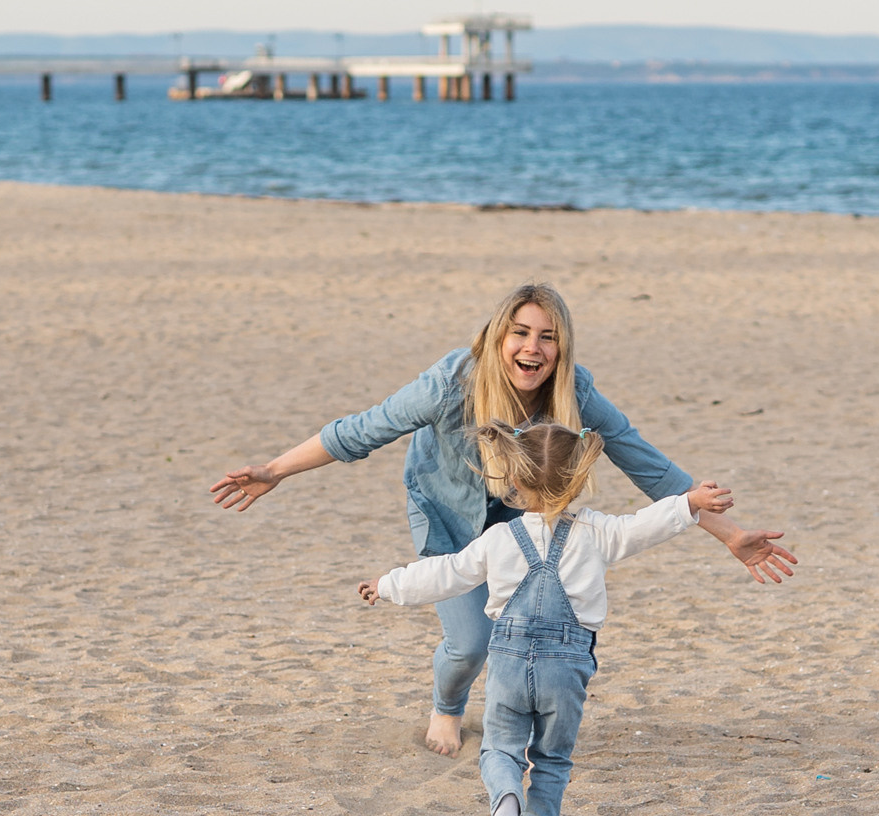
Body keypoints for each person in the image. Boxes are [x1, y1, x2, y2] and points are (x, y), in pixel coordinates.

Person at [209, 282, 793, 757]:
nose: (532, 349)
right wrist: (277, 470)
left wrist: (730, 536)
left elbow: (647, 465)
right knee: (469, 644)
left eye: (548, 337)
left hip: (537, 519)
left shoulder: (573, 389)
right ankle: (447, 706)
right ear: (497, 336)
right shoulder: (451, 383)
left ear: (562, 348)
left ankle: (521, 725)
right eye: (520, 333)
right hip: (446, 511)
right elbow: (363, 430)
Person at [359, 421, 732, 816]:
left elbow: (446, 573)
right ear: (579, 479)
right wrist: (688, 502)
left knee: (501, 748)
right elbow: (644, 525)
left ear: (514, 478)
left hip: (508, 663)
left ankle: (506, 797)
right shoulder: (598, 533)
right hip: (566, 666)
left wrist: (388, 584)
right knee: (552, 758)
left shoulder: (498, 537)